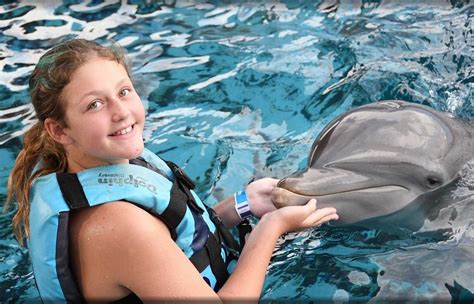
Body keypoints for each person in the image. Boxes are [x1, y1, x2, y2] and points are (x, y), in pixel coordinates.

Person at [6, 39, 338, 302]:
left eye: (123, 92)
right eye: (95, 104)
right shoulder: (118, 226)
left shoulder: (110, 164)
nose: (121, 112)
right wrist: (271, 228)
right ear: (59, 131)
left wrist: (242, 204)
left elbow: (180, 239)